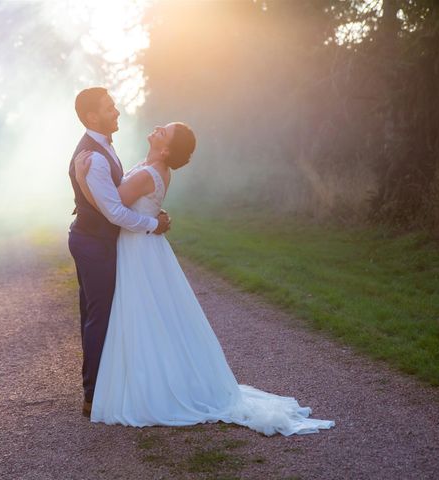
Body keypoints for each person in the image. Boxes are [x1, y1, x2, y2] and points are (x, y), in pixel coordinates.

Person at [73, 121, 335, 436]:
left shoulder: (147, 173)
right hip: (144, 245)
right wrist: (154, 218)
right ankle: (148, 376)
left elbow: (110, 206)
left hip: (139, 250)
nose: (157, 129)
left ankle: (149, 384)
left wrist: (81, 180)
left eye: (163, 132)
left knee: (144, 314)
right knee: (152, 316)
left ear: (166, 149)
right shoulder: (150, 168)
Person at [67, 87, 170, 418]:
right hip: (93, 242)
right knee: (100, 317)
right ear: (92, 117)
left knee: (96, 314)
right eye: (110, 108)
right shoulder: (94, 156)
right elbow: (114, 213)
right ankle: (94, 394)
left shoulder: (102, 148)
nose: (117, 112)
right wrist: (153, 223)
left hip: (94, 240)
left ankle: (99, 385)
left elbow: (111, 199)